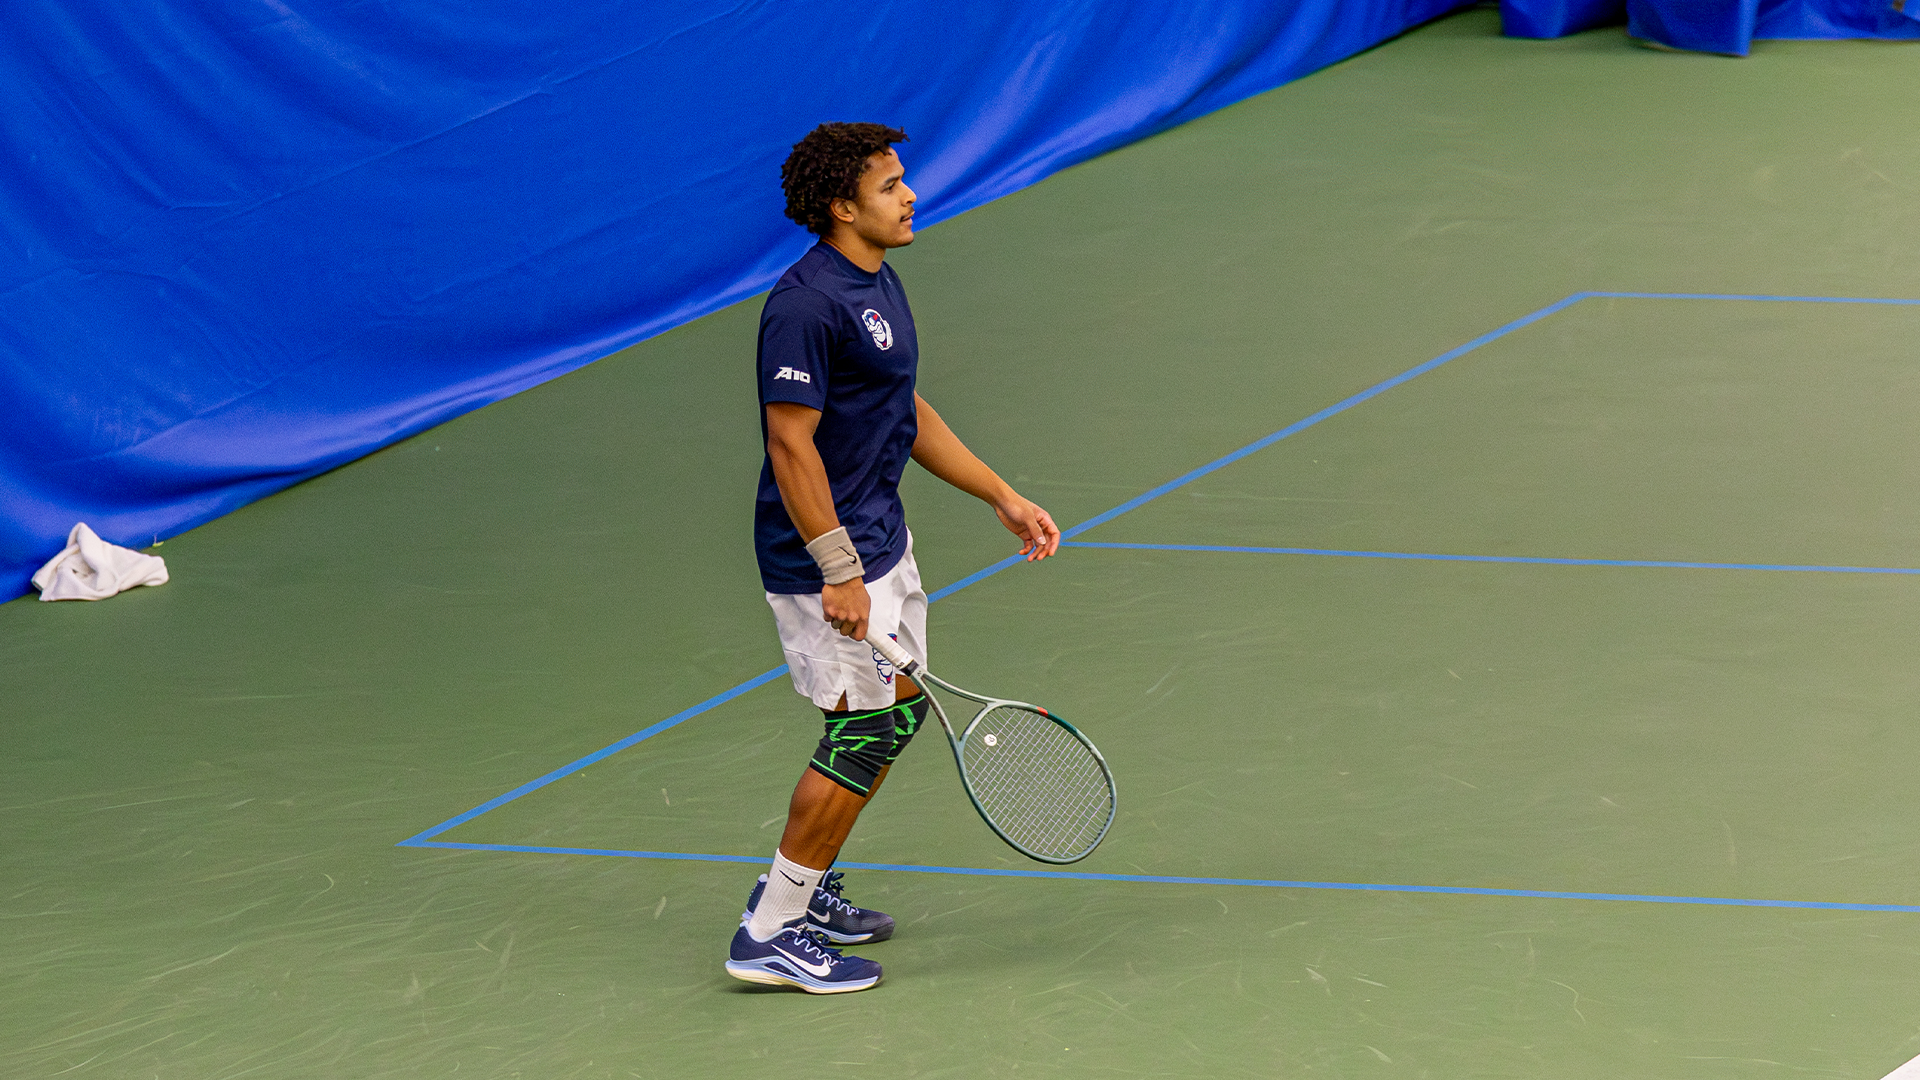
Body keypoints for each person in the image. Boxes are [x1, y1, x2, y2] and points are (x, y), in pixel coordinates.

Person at [725, 122, 1061, 993]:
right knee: (865, 727)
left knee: (893, 714)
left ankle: (806, 879)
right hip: (829, 556)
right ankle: (770, 930)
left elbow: (903, 410)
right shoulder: (805, 307)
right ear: (843, 206)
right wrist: (836, 567)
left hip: (882, 537)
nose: (909, 194)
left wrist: (1001, 494)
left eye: (903, 181)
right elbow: (789, 447)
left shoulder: (876, 281)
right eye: (889, 185)